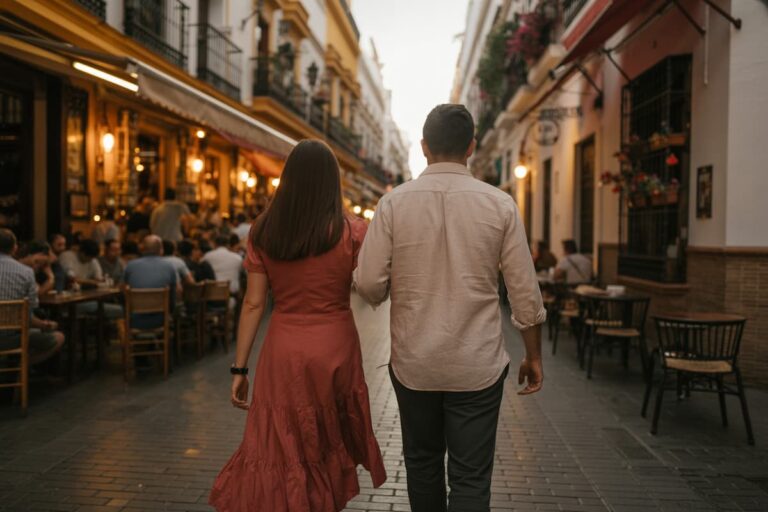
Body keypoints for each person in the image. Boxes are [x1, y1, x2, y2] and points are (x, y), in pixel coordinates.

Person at [354, 104, 545, 512]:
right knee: (471, 476)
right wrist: (533, 355)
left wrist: (388, 294)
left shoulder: (393, 204)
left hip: (414, 363)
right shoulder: (500, 204)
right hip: (477, 364)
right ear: (472, 147)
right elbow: (525, 293)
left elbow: (369, 283)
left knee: (422, 466)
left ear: (423, 147)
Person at [209, 140, 386, 511]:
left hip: (283, 348)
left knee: (287, 442)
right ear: (331, 182)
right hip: (335, 344)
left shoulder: (263, 231)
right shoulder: (353, 231)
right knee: (325, 438)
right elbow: (371, 284)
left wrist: (240, 367)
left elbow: (254, 302)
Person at [0, 229, 65, 364]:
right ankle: (17, 368)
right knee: (58, 337)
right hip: (9, 339)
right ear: (15, 248)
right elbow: (27, 317)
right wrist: (44, 325)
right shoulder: (25, 272)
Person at [123, 235, 178, 329]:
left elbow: (122, 290)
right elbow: (173, 295)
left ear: (142, 249)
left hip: (134, 319)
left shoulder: (131, 265)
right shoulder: (169, 267)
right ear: (161, 250)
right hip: (161, 319)